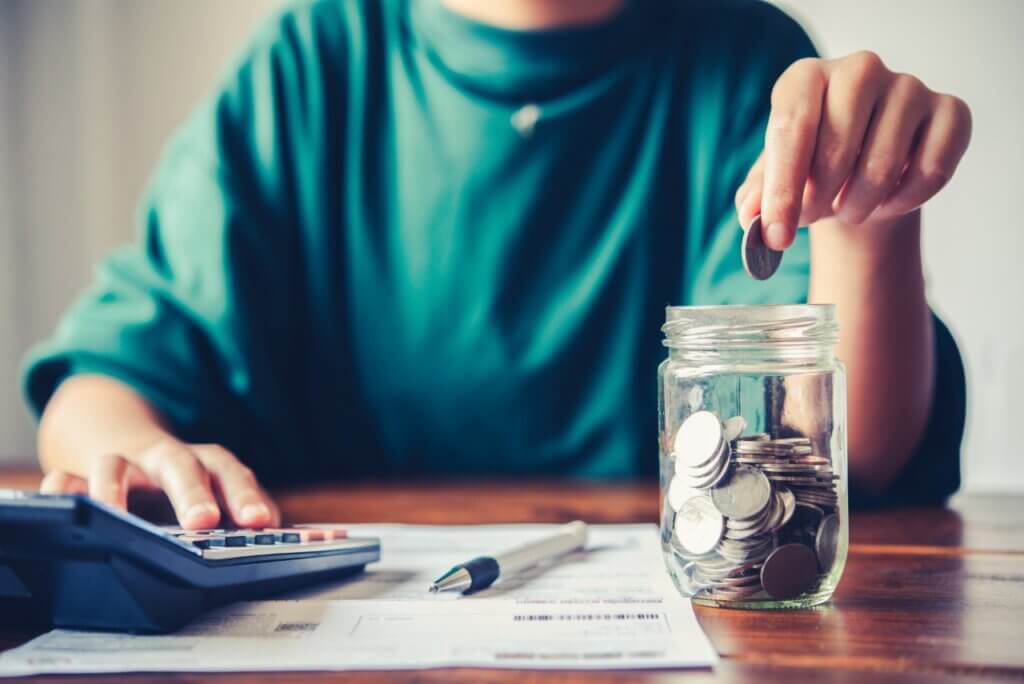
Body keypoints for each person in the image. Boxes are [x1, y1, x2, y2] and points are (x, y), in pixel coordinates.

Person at [23, 0, 971, 529]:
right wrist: (142, 456)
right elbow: (101, 389)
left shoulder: (746, 62)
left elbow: (838, 456)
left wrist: (868, 226)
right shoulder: (308, 64)